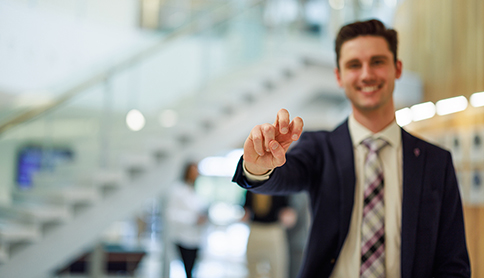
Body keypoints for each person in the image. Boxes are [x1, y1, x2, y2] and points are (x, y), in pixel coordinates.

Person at [232, 19, 470, 278]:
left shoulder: (436, 161)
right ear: (339, 76)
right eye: (354, 65)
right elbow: (287, 175)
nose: (366, 74)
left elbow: (453, 261)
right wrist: (256, 169)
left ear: (397, 68)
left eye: (377, 61)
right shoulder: (319, 148)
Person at [166, 162, 208, 278]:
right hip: (183, 237)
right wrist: (193, 219)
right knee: (187, 270)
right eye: (194, 170)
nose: (196, 173)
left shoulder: (194, 190)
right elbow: (171, 215)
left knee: (192, 271)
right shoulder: (178, 190)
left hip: (196, 238)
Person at [242, 191, 296, 278]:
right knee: (251, 268)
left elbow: (288, 211)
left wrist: (289, 216)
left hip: (274, 230)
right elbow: (246, 209)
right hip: (255, 229)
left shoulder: (281, 186)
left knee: (278, 268)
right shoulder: (251, 187)